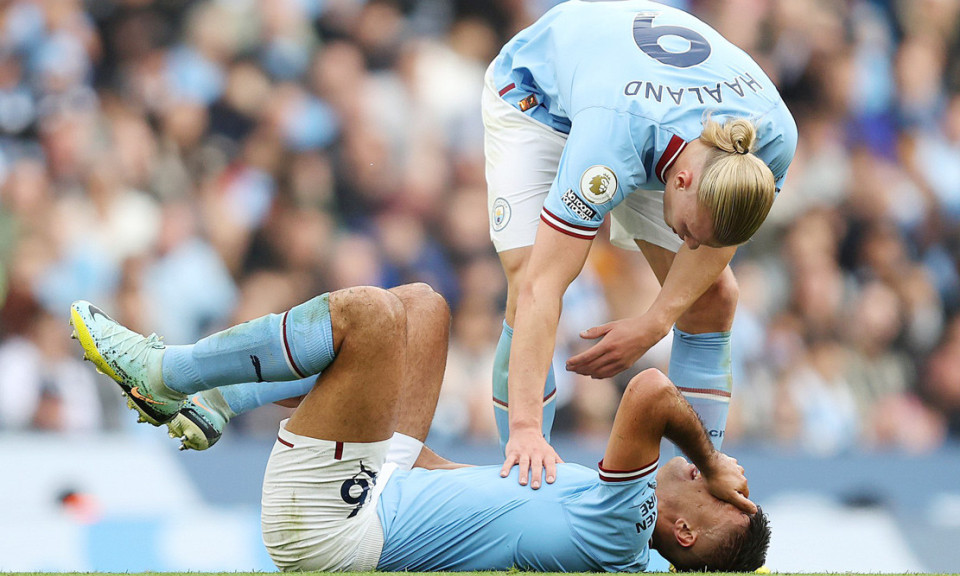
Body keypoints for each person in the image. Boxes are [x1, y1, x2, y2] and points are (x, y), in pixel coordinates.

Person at [69, 283, 769, 572]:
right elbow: (716, 309)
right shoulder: (629, 535)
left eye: (725, 497)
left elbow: (649, 392)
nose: (723, 478)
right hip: (384, 487)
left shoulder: (625, 525)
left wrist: (708, 462)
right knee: (424, 307)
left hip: (333, 528)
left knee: (369, 320)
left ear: (683, 532)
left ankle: (171, 375)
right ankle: (215, 402)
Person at [483, 0, 798, 488]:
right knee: (529, 274)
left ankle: (700, 480)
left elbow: (715, 244)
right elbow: (542, 289)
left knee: (713, 298)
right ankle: (522, 469)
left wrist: (656, 322)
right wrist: (524, 427)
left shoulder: (771, 137)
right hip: (537, 96)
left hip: (637, 104)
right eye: (692, 232)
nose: (691, 244)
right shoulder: (610, 145)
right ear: (683, 180)